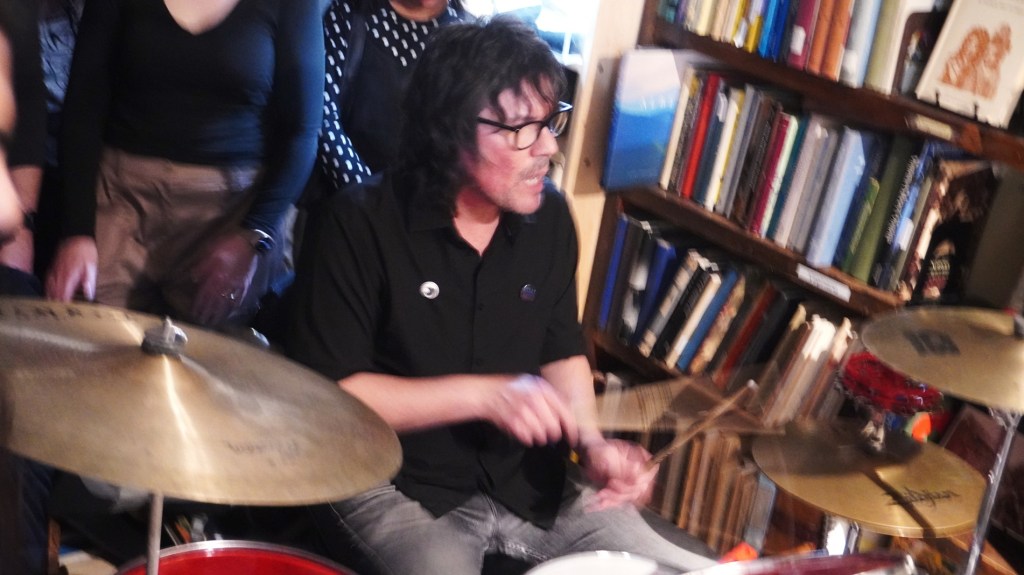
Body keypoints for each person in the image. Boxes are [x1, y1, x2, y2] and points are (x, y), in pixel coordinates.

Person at [286, 16, 718, 575]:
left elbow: (562, 352)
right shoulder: (358, 223)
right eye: (522, 130)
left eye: (551, 122)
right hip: (394, 481)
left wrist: (593, 445)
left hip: (527, 485)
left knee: (685, 570)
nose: (549, 147)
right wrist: (484, 396)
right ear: (449, 133)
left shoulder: (551, 217)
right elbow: (334, 398)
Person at [45, 0, 324, 330]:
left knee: (214, 357)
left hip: (232, 215)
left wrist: (253, 235)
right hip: (121, 200)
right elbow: (83, 106)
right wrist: (76, 232)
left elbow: (303, 132)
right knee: (87, 340)